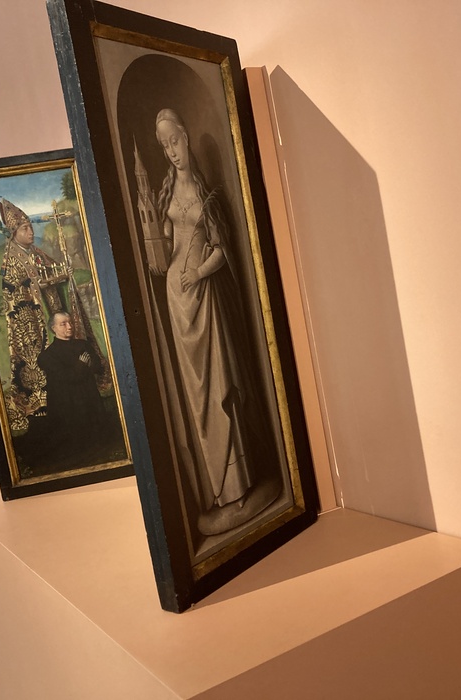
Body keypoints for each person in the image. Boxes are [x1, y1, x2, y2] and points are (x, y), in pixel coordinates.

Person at [152, 108, 255, 516]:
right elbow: (164, 243)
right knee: (196, 394)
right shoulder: (164, 193)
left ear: (186, 137)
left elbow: (222, 251)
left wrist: (198, 272)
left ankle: (236, 482)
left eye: (175, 141)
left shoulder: (206, 194)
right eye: (165, 146)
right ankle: (215, 485)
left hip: (204, 298)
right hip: (176, 301)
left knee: (218, 383)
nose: (172, 151)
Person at [0, 197, 63, 433]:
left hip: (45, 313)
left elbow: (51, 268)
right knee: (36, 362)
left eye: (31, 227)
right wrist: (36, 285)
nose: (31, 232)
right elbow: (11, 290)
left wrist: (53, 277)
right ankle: (39, 409)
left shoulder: (34, 251)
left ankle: (59, 403)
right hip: (27, 321)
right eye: (25, 228)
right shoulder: (11, 257)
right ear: (14, 232)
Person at [37, 312, 106, 462]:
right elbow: (68, 377)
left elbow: (98, 368)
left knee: (100, 438)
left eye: (70, 323)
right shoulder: (47, 356)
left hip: (89, 397)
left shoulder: (83, 344)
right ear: (54, 328)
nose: (69, 327)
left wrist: (85, 367)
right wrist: (81, 365)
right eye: (63, 324)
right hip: (69, 404)